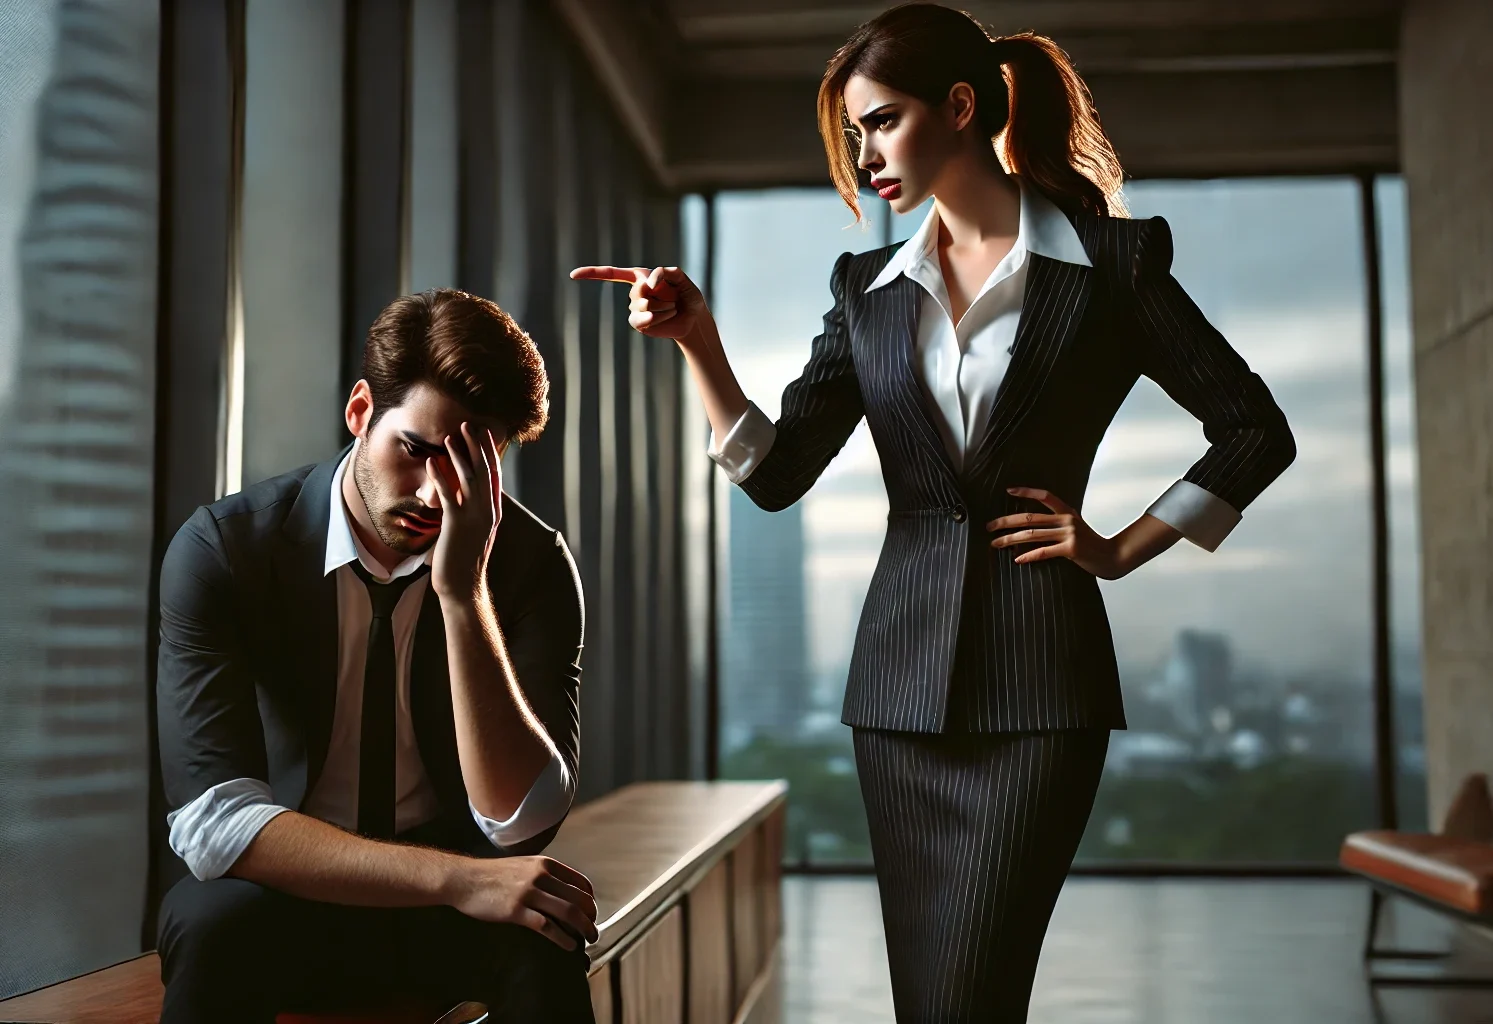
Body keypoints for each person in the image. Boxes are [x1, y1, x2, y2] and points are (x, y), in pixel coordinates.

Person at [573, 3, 1296, 1021]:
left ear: (959, 107)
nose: (863, 153)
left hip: (1040, 688)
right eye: (852, 132)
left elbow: (1252, 429)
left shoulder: (1107, 266)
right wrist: (698, 343)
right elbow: (776, 475)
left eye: (881, 120)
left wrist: (1120, 547)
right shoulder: (867, 288)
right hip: (897, 697)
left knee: (971, 992)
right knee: (933, 1000)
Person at [154, 289, 599, 1023]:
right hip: (283, 894)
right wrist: (452, 880)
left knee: (547, 935)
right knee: (211, 923)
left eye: (469, 468)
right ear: (360, 412)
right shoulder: (227, 550)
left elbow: (520, 822)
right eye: (417, 450)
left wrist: (463, 596)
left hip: (449, 911)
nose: (434, 493)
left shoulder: (531, 563)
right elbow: (213, 823)